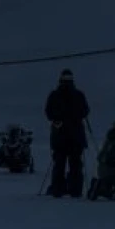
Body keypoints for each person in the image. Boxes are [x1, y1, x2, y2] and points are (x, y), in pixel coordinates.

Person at [44, 69, 90, 198]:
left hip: (60, 136)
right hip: (76, 137)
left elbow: (48, 112)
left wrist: (58, 119)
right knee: (75, 164)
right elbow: (85, 111)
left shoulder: (54, 95)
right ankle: (75, 189)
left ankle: (58, 189)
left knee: (59, 163)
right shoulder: (79, 95)